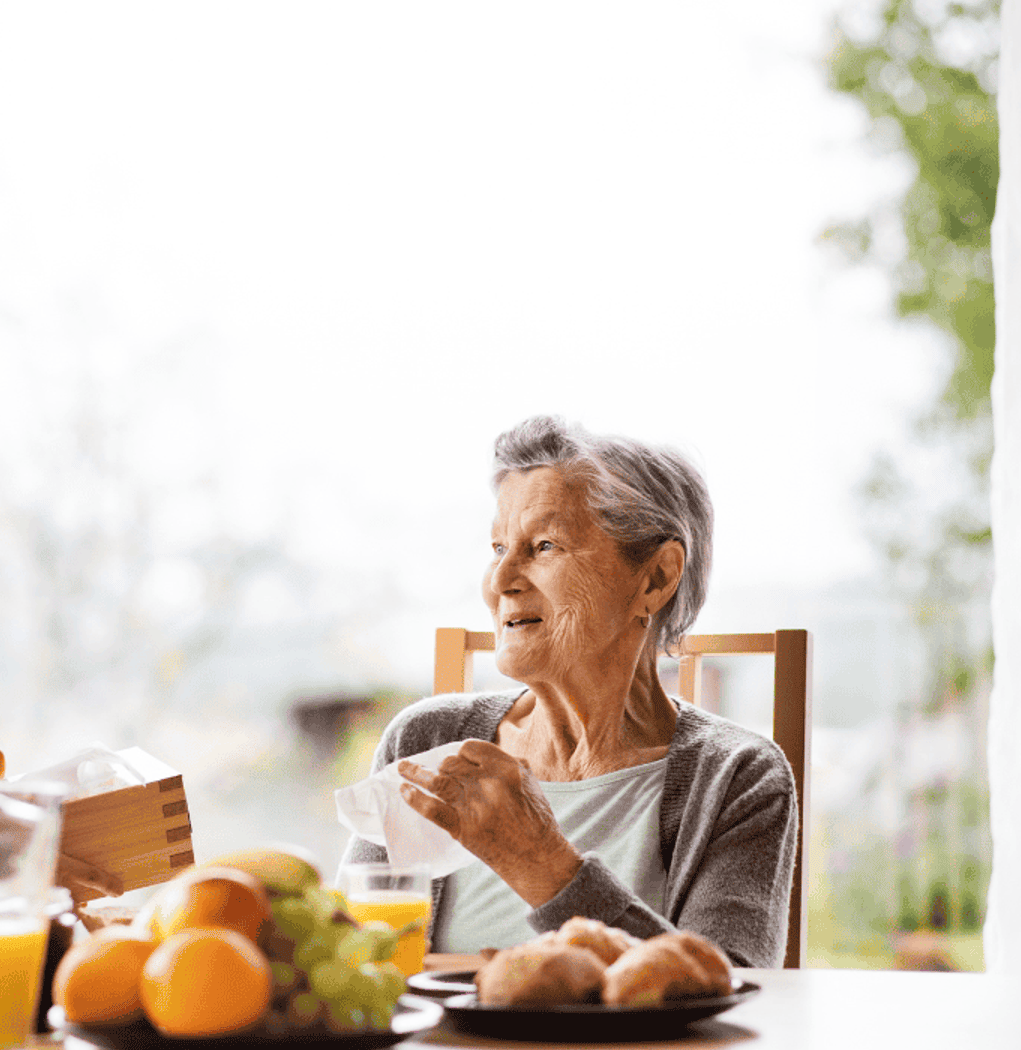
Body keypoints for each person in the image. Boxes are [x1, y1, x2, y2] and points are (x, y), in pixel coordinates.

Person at [341, 415, 796, 968]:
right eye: (499, 546)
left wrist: (542, 863)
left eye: (544, 546)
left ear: (655, 578)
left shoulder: (737, 777)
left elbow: (731, 990)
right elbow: (353, 964)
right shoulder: (426, 740)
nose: (500, 580)